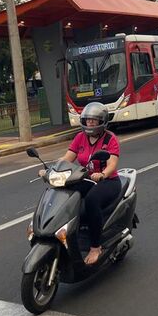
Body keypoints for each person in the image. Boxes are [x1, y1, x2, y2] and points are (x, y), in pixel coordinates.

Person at [40, 102, 121, 265]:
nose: (90, 123)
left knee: (91, 201)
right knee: (65, 192)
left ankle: (95, 247)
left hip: (108, 181)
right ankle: (69, 234)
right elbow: (66, 158)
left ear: (102, 121)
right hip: (86, 179)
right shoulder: (80, 137)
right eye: (88, 120)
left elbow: (112, 163)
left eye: (94, 120)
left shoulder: (109, 139)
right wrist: (50, 171)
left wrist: (103, 174)